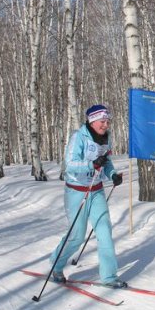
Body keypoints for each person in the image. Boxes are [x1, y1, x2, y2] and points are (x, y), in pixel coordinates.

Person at [49, 104, 126, 287]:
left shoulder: (106, 138)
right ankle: (57, 265)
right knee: (77, 236)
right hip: (76, 192)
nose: (106, 124)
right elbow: (70, 164)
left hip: (96, 190)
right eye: (102, 121)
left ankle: (109, 277)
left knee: (105, 231)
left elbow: (106, 163)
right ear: (92, 121)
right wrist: (91, 164)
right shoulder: (79, 137)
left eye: (107, 121)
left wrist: (112, 174)